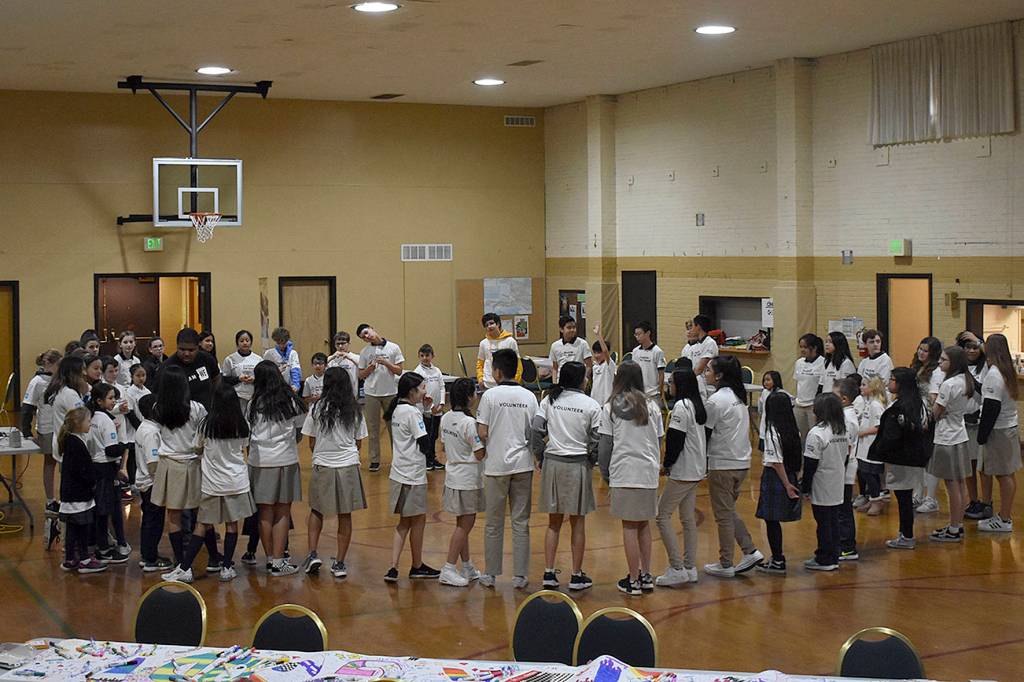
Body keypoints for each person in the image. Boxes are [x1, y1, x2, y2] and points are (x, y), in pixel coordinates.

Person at [163, 381, 255, 583]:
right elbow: (243, 447)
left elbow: (197, 447)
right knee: (232, 525)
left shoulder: (206, 424)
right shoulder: (243, 424)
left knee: (202, 524)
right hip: (236, 481)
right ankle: (227, 567)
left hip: (212, 483)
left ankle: (185, 568)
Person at [530, 361, 600, 591]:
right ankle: (576, 575)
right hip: (578, 465)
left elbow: (536, 430)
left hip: (553, 463)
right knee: (578, 523)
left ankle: (549, 573)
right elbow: (598, 438)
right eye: (585, 377)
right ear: (580, 380)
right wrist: (591, 458)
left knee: (553, 523)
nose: (587, 380)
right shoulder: (591, 405)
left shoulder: (549, 400)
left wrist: (540, 455)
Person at [598, 362, 663, 595]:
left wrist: (605, 473)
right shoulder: (652, 406)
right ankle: (646, 575)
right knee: (644, 524)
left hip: (624, 471)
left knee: (629, 526)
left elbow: (605, 446)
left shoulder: (611, 407)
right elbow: (659, 440)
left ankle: (633, 580)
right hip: (648, 472)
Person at [476, 348, 538, 589]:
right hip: (523, 465)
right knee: (521, 522)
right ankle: (520, 576)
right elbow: (534, 431)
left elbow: (482, 431)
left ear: (497, 372)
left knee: (494, 523)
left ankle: (491, 573)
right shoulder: (529, 397)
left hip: (496, 466)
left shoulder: (489, 397)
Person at [301, 368, 368, 579]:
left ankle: (312, 554)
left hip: (323, 464)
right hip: (348, 465)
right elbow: (359, 442)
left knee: (316, 510)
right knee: (345, 514)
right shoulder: (354, 410)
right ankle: (339, 563)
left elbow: (311, 441)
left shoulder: (317, 408)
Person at [702, 355, 763, 577]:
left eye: (709, 370)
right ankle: (750, 550)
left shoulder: (716, 401)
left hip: (723, 463)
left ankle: (726, 563)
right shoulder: (739, 396)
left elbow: (705, 433)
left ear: (719, 375)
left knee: (723, 515)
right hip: (741, 462)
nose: (706, 373)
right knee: (728, 510)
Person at [248, 360, 307, 576]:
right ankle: (279, 561)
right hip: (285, 460)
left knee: (265, 512)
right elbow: (299, 431)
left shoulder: (253, 403)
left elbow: (248, 433)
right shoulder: (291, 401)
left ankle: (270, 559)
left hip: (259, 462)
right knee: (282, 510)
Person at [383, 373, 440, 582]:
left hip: (398, 473)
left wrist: (423, 410)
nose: (425, 391)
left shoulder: (397, 410)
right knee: (417, 521)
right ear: (412, 391)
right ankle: (416, 565)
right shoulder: (412, 413)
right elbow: (425, 444)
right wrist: (429, 414)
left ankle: (393, 566)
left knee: (403, 522)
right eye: (422, 388)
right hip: (413, 475)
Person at [151, 366, 208, 567]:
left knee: (173, 516)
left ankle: (180, 561)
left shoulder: (157, 408)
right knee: (202, 514)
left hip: (169, 464)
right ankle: (209, 558)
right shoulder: (197, 408)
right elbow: (204, 434)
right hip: (193, 463)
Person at [655, 369, 707, 586]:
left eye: (671, 382)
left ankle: (677, 567)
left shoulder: (681, 407)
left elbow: (676, 440)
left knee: (662, 516)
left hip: (684, 470)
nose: (669, 386)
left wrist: (667, 464)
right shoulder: (696, 405)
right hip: (697, 468)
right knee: (687, 518)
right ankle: (689, 566)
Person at [870, 368, 930, 550]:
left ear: (901, 384)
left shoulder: (901, 408)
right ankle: (905, 533)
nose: (889, 382)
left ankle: (907, 535)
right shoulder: (917, 403)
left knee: (903, 499)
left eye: (892, 379)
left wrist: (881, 451)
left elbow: (893, 436)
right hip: (913, 457)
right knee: (904, 498)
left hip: (902, 459)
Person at [926, 345, 976, 542]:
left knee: (952, 485)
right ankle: (957, 523)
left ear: (954, 363)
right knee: (960, 483)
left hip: (947, 438)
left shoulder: (948, 384)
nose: (939, 362)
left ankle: (954, 529)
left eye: (944, 360)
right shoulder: (965, 380)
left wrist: (935, 405)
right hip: (960, 435)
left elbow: (936, 413)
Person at [439, 379, 485, 587]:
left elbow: (442, 446)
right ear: (468, 397)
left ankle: (467, 566)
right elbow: (480, 453)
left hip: (453, 476)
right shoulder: (469, 423)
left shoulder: (446, 418)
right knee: (465, 525)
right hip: (467, 479)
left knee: (462, 524)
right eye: (474, 392)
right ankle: (448, 568)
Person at [753, 391, 802, 575]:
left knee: (771, 519)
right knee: (773, 519)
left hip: (776, 476)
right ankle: (777, 558)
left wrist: (787, 485)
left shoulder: (772, 431)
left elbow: (776, 461)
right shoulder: (793, 429)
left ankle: (778, 559)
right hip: (789, 473)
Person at [977, 333, 1020, 533]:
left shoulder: (994, 374)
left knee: (1003, 476)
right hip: (1009, 427)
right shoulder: (1006, 370)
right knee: (1008, 474)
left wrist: (982, 434)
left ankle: (1004, 519)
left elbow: (991, 408)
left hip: (999, 431)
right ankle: (1004, 515)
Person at [801, 393, 848, 571]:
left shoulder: (817, 433)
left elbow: (810, 465)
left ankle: (824, 558)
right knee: (833, 520)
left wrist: (805, 488)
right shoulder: (841, 430)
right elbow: (846, 456)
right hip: (837, 481)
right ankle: (833, 555)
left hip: (822, 483)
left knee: (823, 522)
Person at [57, 407, 106, 574]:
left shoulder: (70, 441)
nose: (90, 424)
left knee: (72, 529)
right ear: (78, 424)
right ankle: (84, 559)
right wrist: (93, 480)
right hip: (79, 495)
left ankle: (70, 558)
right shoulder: (76, 444)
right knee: (82, 528)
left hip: (70, 494)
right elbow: (83, 470)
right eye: (88, 421)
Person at [87, 382, 130, 563]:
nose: (114, 401)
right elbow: (111, 450)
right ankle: (105, 548)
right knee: (106, 509)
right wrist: (124, 446)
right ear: (99, 401)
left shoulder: (92, 417)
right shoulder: (106, 421)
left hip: (94, 467)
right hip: (106, 469)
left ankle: (99, 544)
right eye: (110, 398)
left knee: (100, 508)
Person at [356, 323, 405, 473]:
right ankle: (374, 460)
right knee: (373, 429)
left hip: (391, 392)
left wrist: (386, 363)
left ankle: (398, 459)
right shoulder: (365, 352)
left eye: (366, 332)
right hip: (371, 393)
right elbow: (360, 375)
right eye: (363, 337)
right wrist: (370, 368)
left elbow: (399, 371)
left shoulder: (393, 347)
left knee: (394, 428)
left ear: (372, 328)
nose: (367, 336)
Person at [134, 394, 171, 572]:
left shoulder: (146, 427)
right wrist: (162, 483)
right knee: (154, 522)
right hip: (151, 483)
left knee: (150, 520)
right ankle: (150, 558)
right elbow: (153, 463)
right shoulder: (151, 433)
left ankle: (147, 555)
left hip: (146, 481)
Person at [22, 349, 61, 516]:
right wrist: (27, 432)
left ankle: (65, 499)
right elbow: (27, 406)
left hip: (61, 426)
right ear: (48, 364)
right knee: (50, 463)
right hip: (47, 427)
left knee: (63, 463)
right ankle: (50, 499)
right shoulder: (37, 381)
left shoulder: (60, 379)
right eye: (58, 364)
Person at [957, 331, 991, 520]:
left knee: (983, 466)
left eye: (974, 347)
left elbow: (984, 390)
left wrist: (977, 340)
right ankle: (973, 500)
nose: (971, 350)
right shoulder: (958, 368)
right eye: (967, 347)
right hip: (963, 422)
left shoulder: (986, 365)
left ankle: (987, 502)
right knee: (968, 465)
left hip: (980, 422)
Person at [911, 336, 944, 513]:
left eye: (926, 351)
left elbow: (934, 397)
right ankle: (917, 494)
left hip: (929, 418)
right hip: (917, 415)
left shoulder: (936, 371)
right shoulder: (917, 367)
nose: (921, 353)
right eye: (920, 349)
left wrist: (928, 416)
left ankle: (931, 498)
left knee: (930, 458)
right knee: (918, 457)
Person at [157, 328, 221, 409]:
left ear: (198, 347)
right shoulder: (167, 367)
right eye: (182, 349)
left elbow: (216, 378)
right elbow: (159, 395)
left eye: (191, 350)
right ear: (177, 347)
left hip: (206, 411)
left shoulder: (207, 359)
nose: (186, 354)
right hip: (180, 413)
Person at [833, 378, 861, 561]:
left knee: (844, 509)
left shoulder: (848, 419)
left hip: (844, 469)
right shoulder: (842, 415)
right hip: (839, 469)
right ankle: (840, 542)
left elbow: (846, 448)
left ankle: (848, 546)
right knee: (839, 509)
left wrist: (837, 469)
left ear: (844, 399)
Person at [854, 376, 888, 516]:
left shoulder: (876, 405)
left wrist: (862, 432)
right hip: (864, 445)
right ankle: (872, 498)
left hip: (871, 445)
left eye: (864, 385)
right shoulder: (868, 402)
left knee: (870, 473)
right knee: (864, 472)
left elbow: (879, 426)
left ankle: (877, 501)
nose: (860, 387)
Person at [45, 355, 89, 463]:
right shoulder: (69, 394)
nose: (85, 373)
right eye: (82, 369)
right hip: (70, 445)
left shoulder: (63, 390)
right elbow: (81, 420)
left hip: (64, 443)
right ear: (73, 372)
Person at [412, 344, 446, 470]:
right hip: (425, 410)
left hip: (437, 410)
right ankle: (426, 459)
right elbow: (420, 391)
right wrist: (430, 406)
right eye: (422, 355)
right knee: (426, 434)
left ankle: (433, 457)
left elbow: (442, 387)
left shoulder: (437, 371)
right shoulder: (418, 372)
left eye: (427, 355)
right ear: (419, 356)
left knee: (434, 435)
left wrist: (441, 403)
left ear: (433, 356)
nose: (425, 358)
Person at [793, 333, 826, 442]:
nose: (802, 350)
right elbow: (799, 382)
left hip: (813, 405)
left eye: (805, 347)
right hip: (799, 405)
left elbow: (822, 385)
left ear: (814, 348)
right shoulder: (799, 362)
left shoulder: (823, 362)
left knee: (814, 435)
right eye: (801, 347)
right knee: (800, 436)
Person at [220, 330, 262, 412]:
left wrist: (254, 380)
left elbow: (263, 378)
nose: (245, 343)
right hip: (237, 396)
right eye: (242, 341)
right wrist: (238, 379)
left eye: (247, 340)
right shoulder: (230, 359)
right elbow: (224, 379)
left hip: (254, 396)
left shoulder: (258, 359)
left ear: (251, 342)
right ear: (237, 343)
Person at [477, 313, 520, 390]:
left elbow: (518, 364)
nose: (489, 326)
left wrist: (515, 381)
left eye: (491, 323)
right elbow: (480, 364)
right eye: (486, 325)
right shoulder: (483, 343)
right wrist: (480, 379)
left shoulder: (510, 341)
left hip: (507, 384)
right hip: (487, 384)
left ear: (498, 324)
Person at [549, 315, 593, 383]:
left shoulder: (583, 343)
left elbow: (589, 365)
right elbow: (555, 368)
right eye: (569, 328)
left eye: (574, 327)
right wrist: (554, 383)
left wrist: (584, 380)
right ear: (561, 329)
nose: (572, 330)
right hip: (561, 381)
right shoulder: (555, 346)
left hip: (577, 382)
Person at [631, 321, 666, 401]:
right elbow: (633, 371)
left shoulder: (657, 351)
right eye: (635, 334)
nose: (637, 337)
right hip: (639, 393)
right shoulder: (635, 351)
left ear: (648, 333)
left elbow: (661, 374)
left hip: (653, 394)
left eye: (639, 334)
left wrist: (661, 391)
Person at [757, 371, 791, 448]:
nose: (765, 382)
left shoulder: (782, 393)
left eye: (768, 380)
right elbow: (760, 409)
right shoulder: (764, 392)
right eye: (764, 380)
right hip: (764, 428)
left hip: (777, 429)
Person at [264, 327, 301, 393]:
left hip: (289, 388)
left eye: (284, 343)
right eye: (279, 343)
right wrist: (276, 371)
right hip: (273, 388)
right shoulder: (269, 354)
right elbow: (264, 372)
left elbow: (295, 369)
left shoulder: (292, 353)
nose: (281, 346)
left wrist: (296, 384)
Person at [680, 314, 719, 379]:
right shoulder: (695, 345)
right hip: (696, 382)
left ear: (698, 327)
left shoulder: (710, 343)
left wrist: (688, 380)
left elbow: (699, 369)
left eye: (692, 326)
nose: (691, 330)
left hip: (705, 384)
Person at [327, 331, 360, 399]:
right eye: (338, 344)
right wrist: (332, 357)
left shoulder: (356, 357)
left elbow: (363, 368)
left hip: (351, 394)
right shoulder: (331, 359)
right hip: (334, 395)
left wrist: (349, 357)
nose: (340, 346)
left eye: (343, 343)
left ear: (348, 343)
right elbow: (322, 369)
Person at [590, 324, 616, 405]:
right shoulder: (595, 366)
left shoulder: (609, 365)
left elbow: (605, 351)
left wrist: (598, 335)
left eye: (599, 352)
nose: (596, 355)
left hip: (606, 403)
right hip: (594, 402)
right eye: (595, 352)